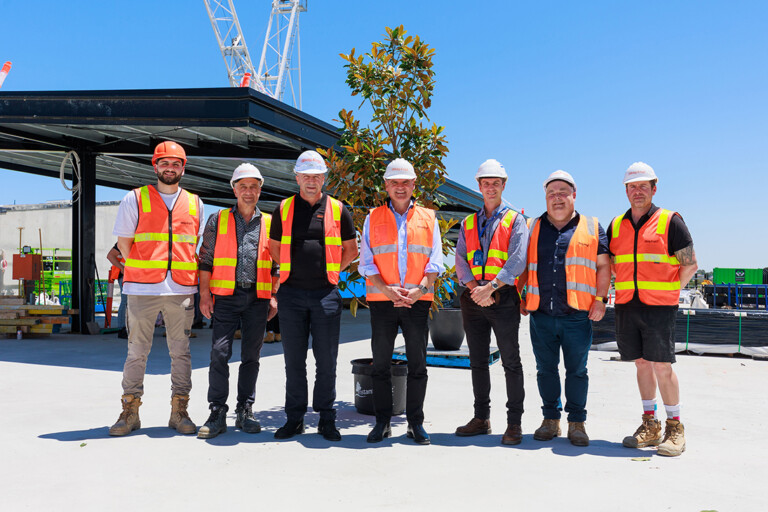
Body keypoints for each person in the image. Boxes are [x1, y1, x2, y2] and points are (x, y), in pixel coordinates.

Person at [109, 141, 203, 437]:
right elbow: (124, 244)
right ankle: (130, 411)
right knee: (137, 352)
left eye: (176, 164)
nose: (170, 168)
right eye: (165, 163)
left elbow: (193, 243)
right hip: (142, 288)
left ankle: (180, 411)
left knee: (181, 352)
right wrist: (143, 266)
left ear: (183, 168)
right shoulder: (135, 199)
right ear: (155, 165)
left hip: (180, 289)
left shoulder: (194, 202)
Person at [268, 150, 358, 441]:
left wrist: (331, 272)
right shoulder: (283, 209)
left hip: (325, 294)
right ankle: (294, 418)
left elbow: (351, 250)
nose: (311, 181)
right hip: (291, 295)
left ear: (323, 178)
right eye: (305, 176)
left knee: (326, 360)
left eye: (316, 176)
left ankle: (326, 418)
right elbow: (273, 247)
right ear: (296, 177)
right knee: (293, 360)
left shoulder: (338, 209)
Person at [609, 162, 697, 457]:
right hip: (627, 305)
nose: (637, 192)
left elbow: (690, 264)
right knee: (641, 364)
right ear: (625, 191)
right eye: (632, 187)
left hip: (659, 307)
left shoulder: (670, 222)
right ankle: (650, 424)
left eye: (643, 186)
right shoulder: (616, 225)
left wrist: (672, 291)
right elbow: (610, 264)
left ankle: (675, 428)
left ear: (653, 189)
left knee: (662, 366)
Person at [519, 170, 610, 447]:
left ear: (574, 194)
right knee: (545, 370)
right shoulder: (531, 226)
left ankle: (577, 423)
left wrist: (601, 299)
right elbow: (520, 264)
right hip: (541, 314)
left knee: (577, 371)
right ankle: (550, 420)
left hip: (577, 315)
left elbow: (604, 266)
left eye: (562, 192)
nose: (557, 198)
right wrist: (517, 294)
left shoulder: (593, 227)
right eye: (551, 193)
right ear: (545, 198)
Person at [359, 159, 443, 445]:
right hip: (383, 301)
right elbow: (366, 261)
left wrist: (419, 290)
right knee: (380, 365)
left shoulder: (429, 218)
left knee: (418, 365)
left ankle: (415, 423)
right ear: (386, 185)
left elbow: (435, 260)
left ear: (413, 185)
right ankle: (382, 422)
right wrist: (387, 289)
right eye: (395, 182)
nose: (400, 187)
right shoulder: (372, 217)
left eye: (405, 182)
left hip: (417, 301)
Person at [196, 163, 278, 439]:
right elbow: (205, 260)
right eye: (243, 186)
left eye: (254, 186)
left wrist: (274, 297)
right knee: (219, 353)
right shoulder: (217, 220)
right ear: (234, 189)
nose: (249, 191)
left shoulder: (269, 222)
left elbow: (277, 264)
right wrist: (205, 295)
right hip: (225, 297)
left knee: (251, 356)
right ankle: (217, 411)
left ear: (260, 190)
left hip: (258, 297)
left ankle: (245, 409)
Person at [454, 159, 529, 445]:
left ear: (503, 185)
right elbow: (460, 258)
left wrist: (491, 288)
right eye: (485, 183)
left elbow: (517, 260)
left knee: (511, 361)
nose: (490, 187)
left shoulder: (515, 220)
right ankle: (481, 418)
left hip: (504, 297)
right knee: (477, 361)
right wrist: (475, 288)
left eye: (495, 183)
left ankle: (514, 424)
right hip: (473, 297)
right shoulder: (468, 222)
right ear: (479, 186)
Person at [106, 243, 128, 339]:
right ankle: (122, 328)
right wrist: (122, 268)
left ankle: (127, 327)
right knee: (126, 301)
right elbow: (110, 255)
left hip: (135, 275)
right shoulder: (124, 241)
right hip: (125, 275)